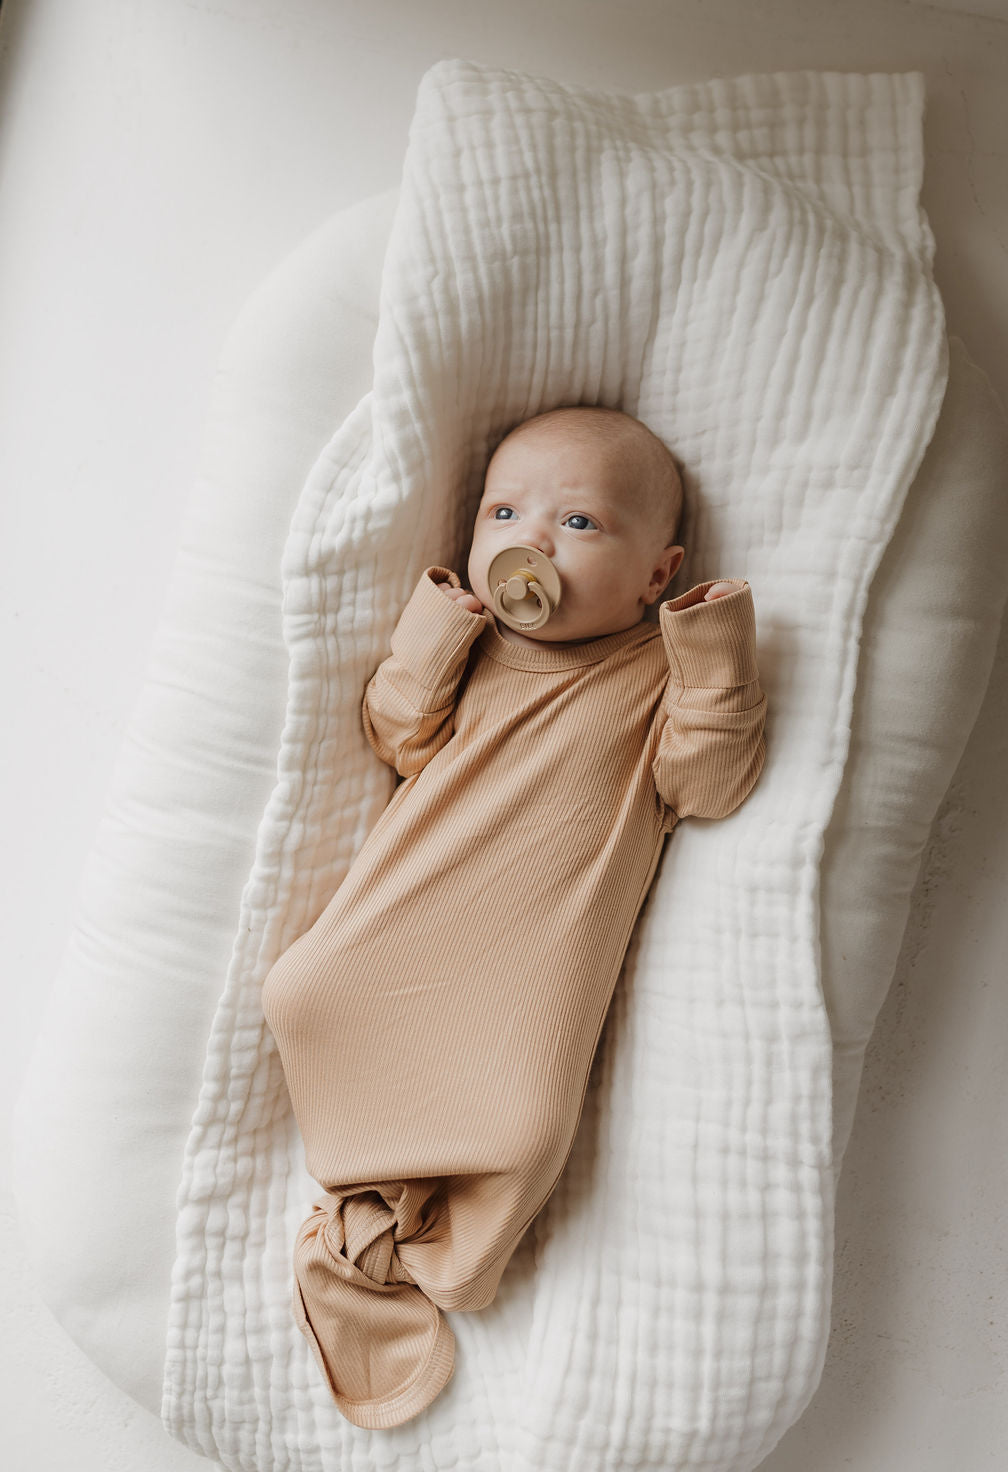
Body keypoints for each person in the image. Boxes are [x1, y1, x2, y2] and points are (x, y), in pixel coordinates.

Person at [261, 404, 767, 1429]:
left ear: (656, 576)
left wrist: (712, 651)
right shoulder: (483, 651)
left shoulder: (651, 676)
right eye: (503, 512)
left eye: (578, 523)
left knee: (527, 1122)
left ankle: (403, 1243)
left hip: (534, 956)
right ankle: (368, 1201)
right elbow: (398, 733)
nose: (529, 540)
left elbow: (705, 784)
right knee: (302, 992)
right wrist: (439, 624)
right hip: (409, 907)